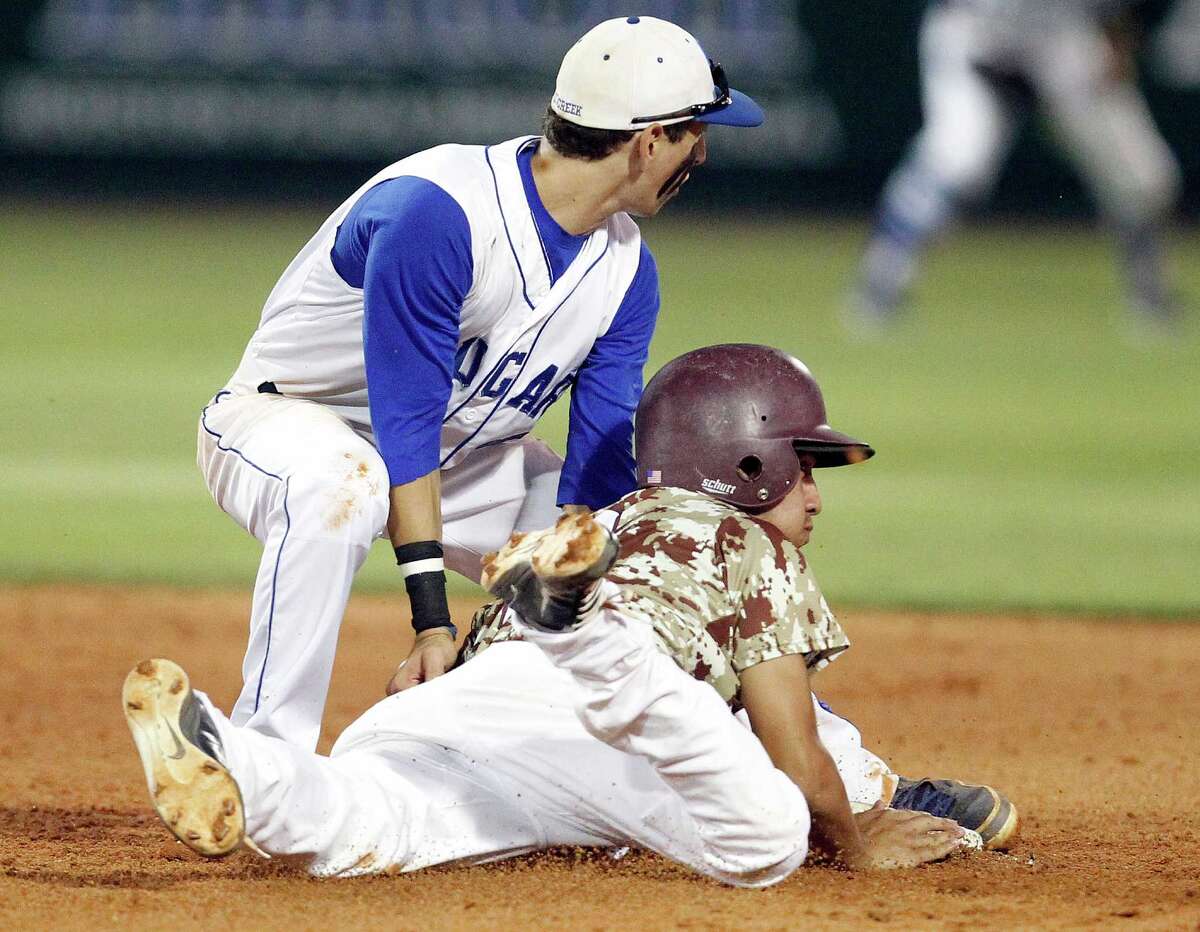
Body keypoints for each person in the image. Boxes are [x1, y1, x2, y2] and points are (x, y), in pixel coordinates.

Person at [124, 344, 1012, 884]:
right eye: (805, 464)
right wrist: (854, 841)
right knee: (773, 838)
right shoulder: (753, 546)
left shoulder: (598, 523)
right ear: (746, 464)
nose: (815, 494)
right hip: (608, 715)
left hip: (468, 711)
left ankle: (231, 751)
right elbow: (791, 742)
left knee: (368, 819)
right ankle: (587, 640)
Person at [196, 16, 765, 749]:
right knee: (344, 485)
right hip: (288, 425)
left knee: (632, 558)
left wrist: (570, 583)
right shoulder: (442, 211)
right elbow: (405, 422)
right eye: (696, 132)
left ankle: (813, 764)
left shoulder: (626, 271)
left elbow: (597, 463)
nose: (703, 153)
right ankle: (261, 756)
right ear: (650, 140)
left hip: (467, 469)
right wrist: (432, 620)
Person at [850, 0, 1182, 334]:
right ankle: (883, 277)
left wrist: (1117, 43)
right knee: (958, 159)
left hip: (1063, 46)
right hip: (975, 42)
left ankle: (1149, 290)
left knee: (1145, 177)